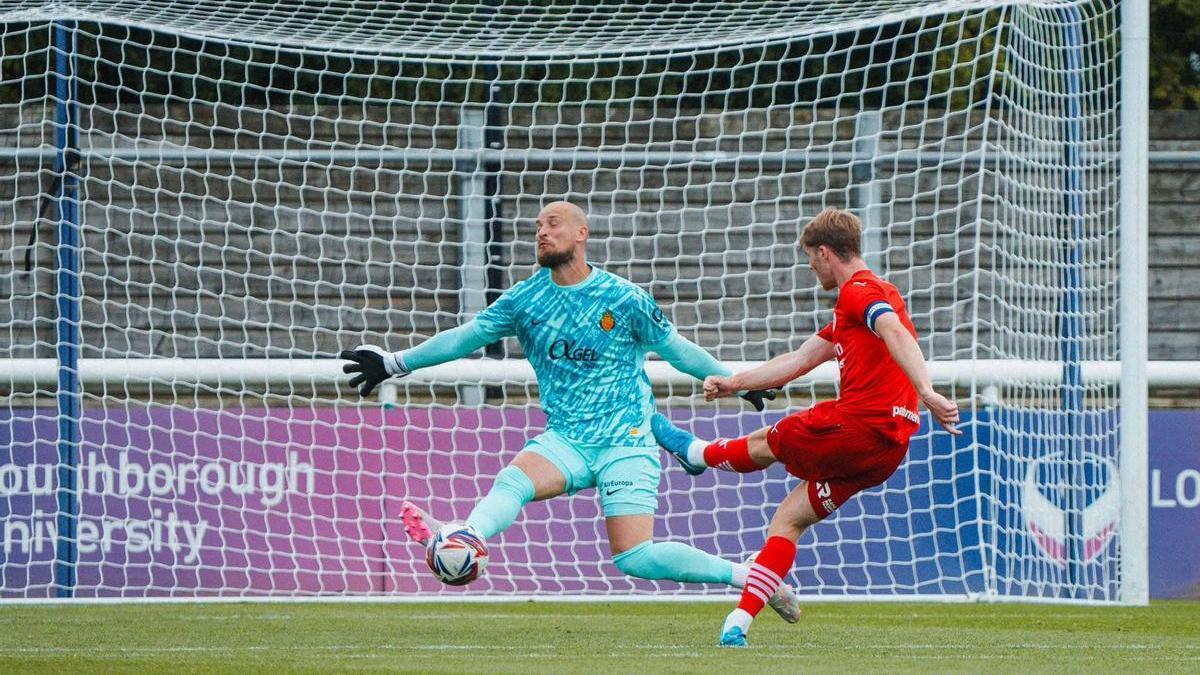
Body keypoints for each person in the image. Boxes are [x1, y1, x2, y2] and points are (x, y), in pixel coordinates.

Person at [341, 200, 797, 620]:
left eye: (552, 224)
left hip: (627, 441)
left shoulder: (623, 297)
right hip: (567, 439)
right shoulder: (526, 299)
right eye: (537, 226)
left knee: (634, 557)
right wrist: (393, 363)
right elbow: (465, 336)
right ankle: (468, 537)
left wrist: (737, 383)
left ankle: (748, 575)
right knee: (514, 481)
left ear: (582, 233)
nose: (542, 232)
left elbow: (676, 349)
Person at [651, 207, 962, 646]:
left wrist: (927, 390)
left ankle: (697, 454)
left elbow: (893, 330)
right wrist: (734, 383)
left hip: (857, 426)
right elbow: (797, 361)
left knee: (766, 441)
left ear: (823, 253)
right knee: (789, 520)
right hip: (887, 452)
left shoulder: (859, 292)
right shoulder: (863, 303)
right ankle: (737, 625)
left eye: (810, 259)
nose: (811, 268)